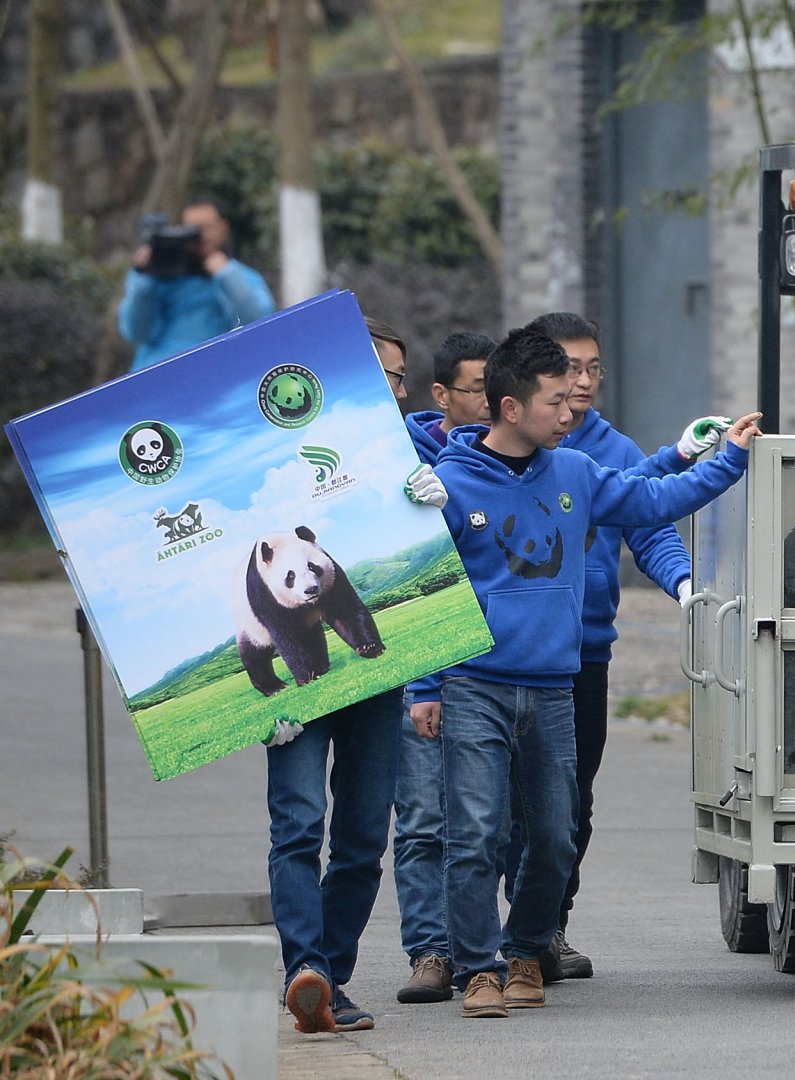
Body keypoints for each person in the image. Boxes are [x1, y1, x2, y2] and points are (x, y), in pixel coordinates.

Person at [405, 327, 761, 1018]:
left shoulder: (576, 473)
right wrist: (425, 688)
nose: (570, 415)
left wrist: (730, 460)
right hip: (473, 684)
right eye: (554, 403)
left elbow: (654, 501)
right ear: (510, 408)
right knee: (473, 832)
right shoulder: (446, 486)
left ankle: (527, 947)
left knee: (555, 834)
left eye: (572, 399)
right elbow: (427, 593)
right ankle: (478, 968)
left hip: (555, 687)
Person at [521, 311, 730, 981]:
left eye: (592, 369)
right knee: (495, 809)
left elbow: (651, 523)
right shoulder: (504, 447)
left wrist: (687, 585)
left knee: (570, 801)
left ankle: (546, 929)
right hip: (501, 657)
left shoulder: (613, 451)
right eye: (567, 369)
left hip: (583, 654)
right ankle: (482, 938)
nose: (581, 383)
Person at [273, 318, 449, 1035]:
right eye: (380, 376)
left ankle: (327, 979)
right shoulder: (281, 455)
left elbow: (474, 468)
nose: (393, 390)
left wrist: (433, 502)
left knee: (360, 838)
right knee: (296, 826)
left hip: (381, 673)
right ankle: (302, 969)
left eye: (398, 379)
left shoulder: (410, 450)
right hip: (297, 682)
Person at [390, 330, 497, 1005]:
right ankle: (430, 951)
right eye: (477, 389)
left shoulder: (523, 458)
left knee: (493, 823)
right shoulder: (395, 457)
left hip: (496, 669)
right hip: (424, 663)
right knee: (425, 817)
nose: (491, 402)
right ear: (442, 395)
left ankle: (497, 950)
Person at [119, 198, 276, 371]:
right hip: (158, 370)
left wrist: (227, 275)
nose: (201, 236)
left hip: (213, 372)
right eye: (192, 229)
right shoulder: (158, 273)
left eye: (208, 227)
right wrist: (144, 279)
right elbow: (135, 332)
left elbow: (257, 323)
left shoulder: (242, 276)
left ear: (224, 227)